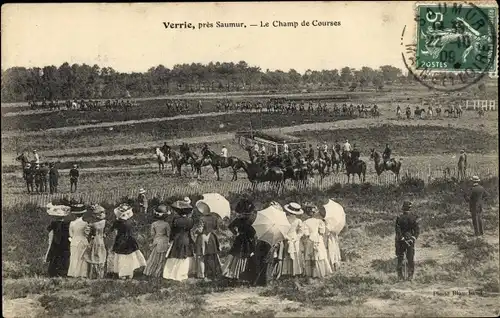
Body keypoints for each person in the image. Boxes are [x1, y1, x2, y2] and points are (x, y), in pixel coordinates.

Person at [222, 198, 257, 281]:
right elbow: (253, 232)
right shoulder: (251, 220)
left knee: (236, 254)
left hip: (240, 238)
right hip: (247, 240)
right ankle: (241, 273)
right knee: (245, 255)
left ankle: (233, 272)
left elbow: (230, 226)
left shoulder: (238, 220)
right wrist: (252, 237)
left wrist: (236, 233)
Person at [109, 203, 147, 279]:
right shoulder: (129, 222)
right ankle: (127, 272)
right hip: (128, 240)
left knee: (123, 256)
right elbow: (133, 230)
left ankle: (123, 272)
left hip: (121, 240)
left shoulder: (118, 222)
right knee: (128, 256)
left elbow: (111, 229)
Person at [163, 200, 196, 281]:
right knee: (185, 255)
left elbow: (173, 231)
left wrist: (170, 239)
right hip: (186, 238)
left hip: (177, 239)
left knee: (176, 255)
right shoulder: (190, 220)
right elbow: (189, 230)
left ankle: (172, 273)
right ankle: (184, 272)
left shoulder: (176, 220)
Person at [194, 198, 224, 280]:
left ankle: (201, 274)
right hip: (211, 236)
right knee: (211, 255)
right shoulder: (215, 218)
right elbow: (216, 228)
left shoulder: (202, 218)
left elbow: (200, 230)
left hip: (203, 237)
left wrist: (196, 231)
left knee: (201, 256)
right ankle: (213, 272)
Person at [302, 203, 332, 279]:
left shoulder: (305, 222)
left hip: (310, 239)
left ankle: (311, 273)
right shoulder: (319, 221)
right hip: (318, 238)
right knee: (319, 255)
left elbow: (306, 233)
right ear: (315, 213)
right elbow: (322, 232)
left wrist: (309, 235)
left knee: (310, 255)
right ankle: (320, 271)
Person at [144, 205, 171, 278]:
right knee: (162, 258)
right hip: (164, 241)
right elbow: (168, 234)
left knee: (154, 257)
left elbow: (152, 234)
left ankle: (150, 271)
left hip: (156, 241)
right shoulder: (166, 224)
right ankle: (159, 272)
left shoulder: (154, 224)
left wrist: (154, 240)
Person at [395, 201, 419, 281]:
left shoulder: (399, 217)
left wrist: (402, 238)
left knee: (400, 258)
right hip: (410, 240)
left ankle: (400, 277)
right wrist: (413, 238)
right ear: (410, 208)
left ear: (403, 209)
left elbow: (397, 230)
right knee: (410, 258)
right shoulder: (414, 217)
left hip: (401, 241)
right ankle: (410, 276)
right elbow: (417, 230)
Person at [45, 203, 71, 277]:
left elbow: (50, 234)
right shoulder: (67, 224)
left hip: (56, 242)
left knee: (54, 256)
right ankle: (63, 271)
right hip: (65, 243)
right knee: (64, 257)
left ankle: (53, 272)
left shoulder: (53, 224)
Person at [281, 202, 304, 277]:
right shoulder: (284, 219)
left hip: (294, 238)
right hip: (287, 237)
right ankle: (286, 271)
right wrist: (287, 237)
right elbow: (282, 230)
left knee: (295, 253)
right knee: (287, 254)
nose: (292, 214)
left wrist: (297, 237)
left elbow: (301, 231)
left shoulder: (298, 221)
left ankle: (295, 271)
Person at [84, 204, 107, 279]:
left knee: (93, 255)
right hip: (101, 240)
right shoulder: (104, 222)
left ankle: (92, 274)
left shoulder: (92, 224)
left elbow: (88, 233)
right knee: (100, 255)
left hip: (95, 240)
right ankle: (100, 274)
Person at [67, 204, 89, 278]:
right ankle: (82, 273)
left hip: (74, 241)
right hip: (83, 241)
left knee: (74, 257)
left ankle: (74, 273)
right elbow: (86, 234)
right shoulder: (85, 223)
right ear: (83, 214)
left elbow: (71, 234)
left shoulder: (72, 223)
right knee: (82, 257)